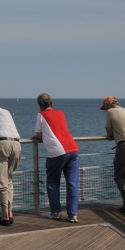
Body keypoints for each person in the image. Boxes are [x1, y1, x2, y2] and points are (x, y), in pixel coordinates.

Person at [33, 93, 80, 223]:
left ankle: (56, 212)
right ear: (51, 103)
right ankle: (73, 215)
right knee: (72, 183)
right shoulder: (60, 113)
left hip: (57, 151)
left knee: (53, 182)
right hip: (73, 148)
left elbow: (39, 135)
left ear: (40, 104)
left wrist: (37, 137)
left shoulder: (41, 115)